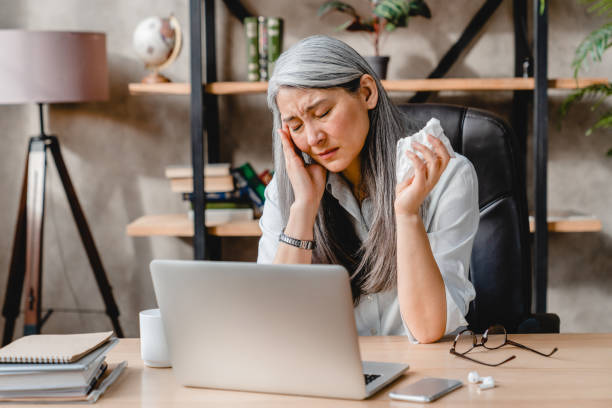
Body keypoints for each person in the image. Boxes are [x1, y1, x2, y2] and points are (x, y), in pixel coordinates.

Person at [257, 35, 479, 344]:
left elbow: (428, 329)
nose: (313, 138)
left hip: (427, 371)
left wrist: (406, 214)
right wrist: (304, 208)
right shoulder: (287, 193)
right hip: (336, 372)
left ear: (366, 92)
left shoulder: (446, 176)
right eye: (295, 126)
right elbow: (274, 327)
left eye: (322, 113)